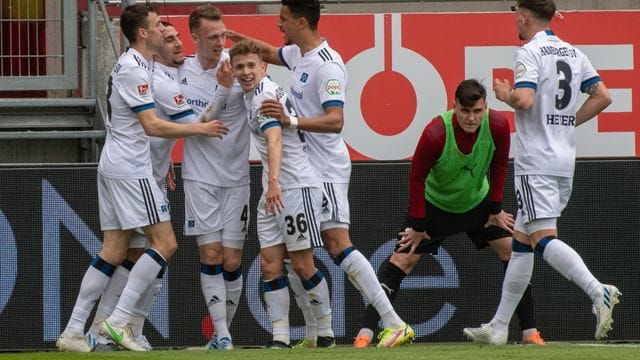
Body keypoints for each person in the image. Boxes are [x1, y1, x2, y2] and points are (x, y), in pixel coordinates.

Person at [229, 0, 413, 348]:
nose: (278, 26)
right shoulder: (299, 54)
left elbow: (335, 121)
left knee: (336, 245)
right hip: (304, 168)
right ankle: (316, 335)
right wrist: (231, 35)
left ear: (300, 21)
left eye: (282, 20)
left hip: (325, 169)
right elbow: (267, 51)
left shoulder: (329, 66)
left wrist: (290, 121)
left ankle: (393, 321)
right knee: (298, 255)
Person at [55, 4, 227, 352]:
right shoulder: (137, 70)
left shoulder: (140, 66)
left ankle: (76, 331)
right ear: (144, 34)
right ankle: (118, 323)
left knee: (115, 250)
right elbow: (151, 125)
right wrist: (202, 127)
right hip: (133, 169)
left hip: (119, 165)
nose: (168, 35)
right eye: (160, 28)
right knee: (165, 244)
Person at [463, 0, 618, 345]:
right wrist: (567, 123)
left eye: (515, 14)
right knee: (521, 243)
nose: (515, 21)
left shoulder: (529, 52)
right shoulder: (573, 52)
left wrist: (505, 94)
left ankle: (598, 290)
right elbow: (603, 96)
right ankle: (500, 327)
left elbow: (525, 100)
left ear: (524, 15)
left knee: (542, 238)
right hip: (563, 160)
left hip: (537, 162)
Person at [352, 79, 544, 347]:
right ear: (454, 106)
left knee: (513, 252)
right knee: (401, 260)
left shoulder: (498, 125)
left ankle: (530, 333)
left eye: (477, 111)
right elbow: (416, 178)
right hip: (434, 208)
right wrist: (419, 224)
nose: (471, 118)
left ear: (485, 108)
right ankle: (365, 334)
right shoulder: (436, 133)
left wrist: (495, 208)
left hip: (478, 205)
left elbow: (500, 165)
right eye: (465, 111)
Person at [230, 39, 335, 349]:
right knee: (270, 265)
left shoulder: (263, 96)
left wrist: (273, 181)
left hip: (293, 186)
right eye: (240, 67)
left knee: (303, 264)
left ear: (263, 67)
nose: (246, 72)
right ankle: (280, 337)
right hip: (274, 190)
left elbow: (275, 139)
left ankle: (326, 332)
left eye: (251, 65)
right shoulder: (255, 93)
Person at [178, 4, 249, 350]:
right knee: (211, 254)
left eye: (223, 35)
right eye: (212, 37)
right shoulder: (181, 72)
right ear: (194, 37)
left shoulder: (241, 67)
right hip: (200, 176)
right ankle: (221, 336)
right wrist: (222, 90)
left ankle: (223, 334)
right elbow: (196, 126)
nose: (220, 42)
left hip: (237, 177)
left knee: (232, 261)